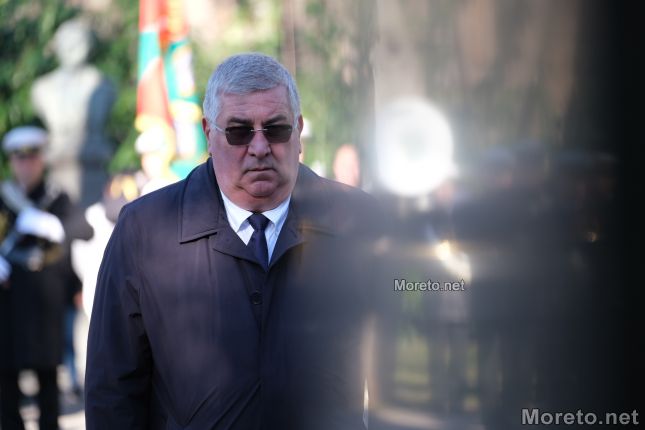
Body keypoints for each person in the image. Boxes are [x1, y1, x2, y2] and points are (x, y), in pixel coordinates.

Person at [86, 53, 389, 429]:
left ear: (298, 131)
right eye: (239, 131)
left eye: (276, 129)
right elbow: (112, 389)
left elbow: (402, 366)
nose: (259, 147)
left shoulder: (359, 222)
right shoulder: (144, 231)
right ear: (208, 134)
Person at [0, 126, 93, 430]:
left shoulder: (55, 196)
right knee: (5, 380)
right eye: (20, 159)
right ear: (12, 162)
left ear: (41, 160)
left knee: (48, 379)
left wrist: (53, 225)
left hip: (44, 302)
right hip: (8, 302)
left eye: (32, 158)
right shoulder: (3, 197)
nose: (26, 165)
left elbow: (84, 228)